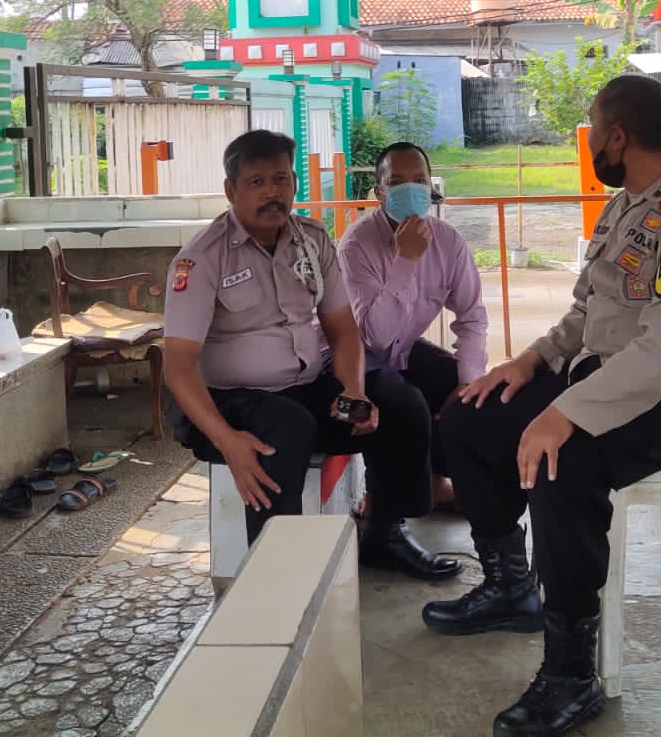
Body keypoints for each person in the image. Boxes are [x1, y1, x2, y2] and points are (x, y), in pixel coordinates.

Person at [422, 75, 661, 737]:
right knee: (469, 416)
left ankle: (571, 674)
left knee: (561, 463)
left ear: (617, 137)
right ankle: (510, 585)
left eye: (594, 126)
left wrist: (563, 414)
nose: (591, 137)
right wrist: (528, 362)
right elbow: (586, 313)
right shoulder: (625, 206)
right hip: (600, 376)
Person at [162, 129, 459, 581]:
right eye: (257, 182)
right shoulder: (202, 258)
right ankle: (275, 574)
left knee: (399, 403)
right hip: (228, 403)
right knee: (288, 428)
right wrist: (227, 440)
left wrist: (354, 390)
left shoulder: (312, 240)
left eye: (281, 180)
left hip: (302, 384)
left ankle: (385, 531)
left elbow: (343, 330)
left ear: (294, 183)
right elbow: (179, 366)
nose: (272, 193)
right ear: (231, 190)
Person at [338, 141, 486, 507]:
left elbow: (471, 315)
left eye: (419, 180)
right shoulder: (357, 244)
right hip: (350, 352)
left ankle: (437, 480)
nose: (410, 189)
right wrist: (406, 260)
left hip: (402, 347)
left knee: (475, 394)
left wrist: (467, 381)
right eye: (396, 181)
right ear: (379, 192)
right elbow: (375, 337)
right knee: (401, 401)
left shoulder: (448, 240)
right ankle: (385, 511)